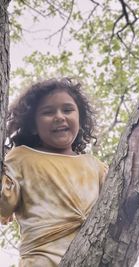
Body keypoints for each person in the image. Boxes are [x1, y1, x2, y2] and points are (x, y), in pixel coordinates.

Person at [0, 78, 107, 267]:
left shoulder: (95, 166)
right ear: (33, 125)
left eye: (67, 110)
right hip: (41, 260)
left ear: (80, 119)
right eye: (48, 112)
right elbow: (3, 205)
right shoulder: (21, 158)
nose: (59, 116)